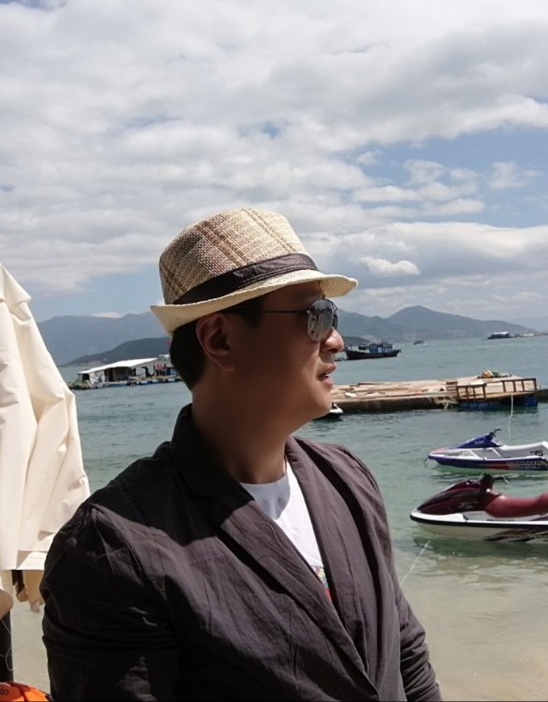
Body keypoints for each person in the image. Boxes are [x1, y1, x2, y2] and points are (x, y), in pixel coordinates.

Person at [41, 208, 441, 701]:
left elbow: (404, 652)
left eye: (332, 317)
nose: (336, 340)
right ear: (220, 339)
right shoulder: (114, 546)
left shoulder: (347, 478)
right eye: (316, 316)